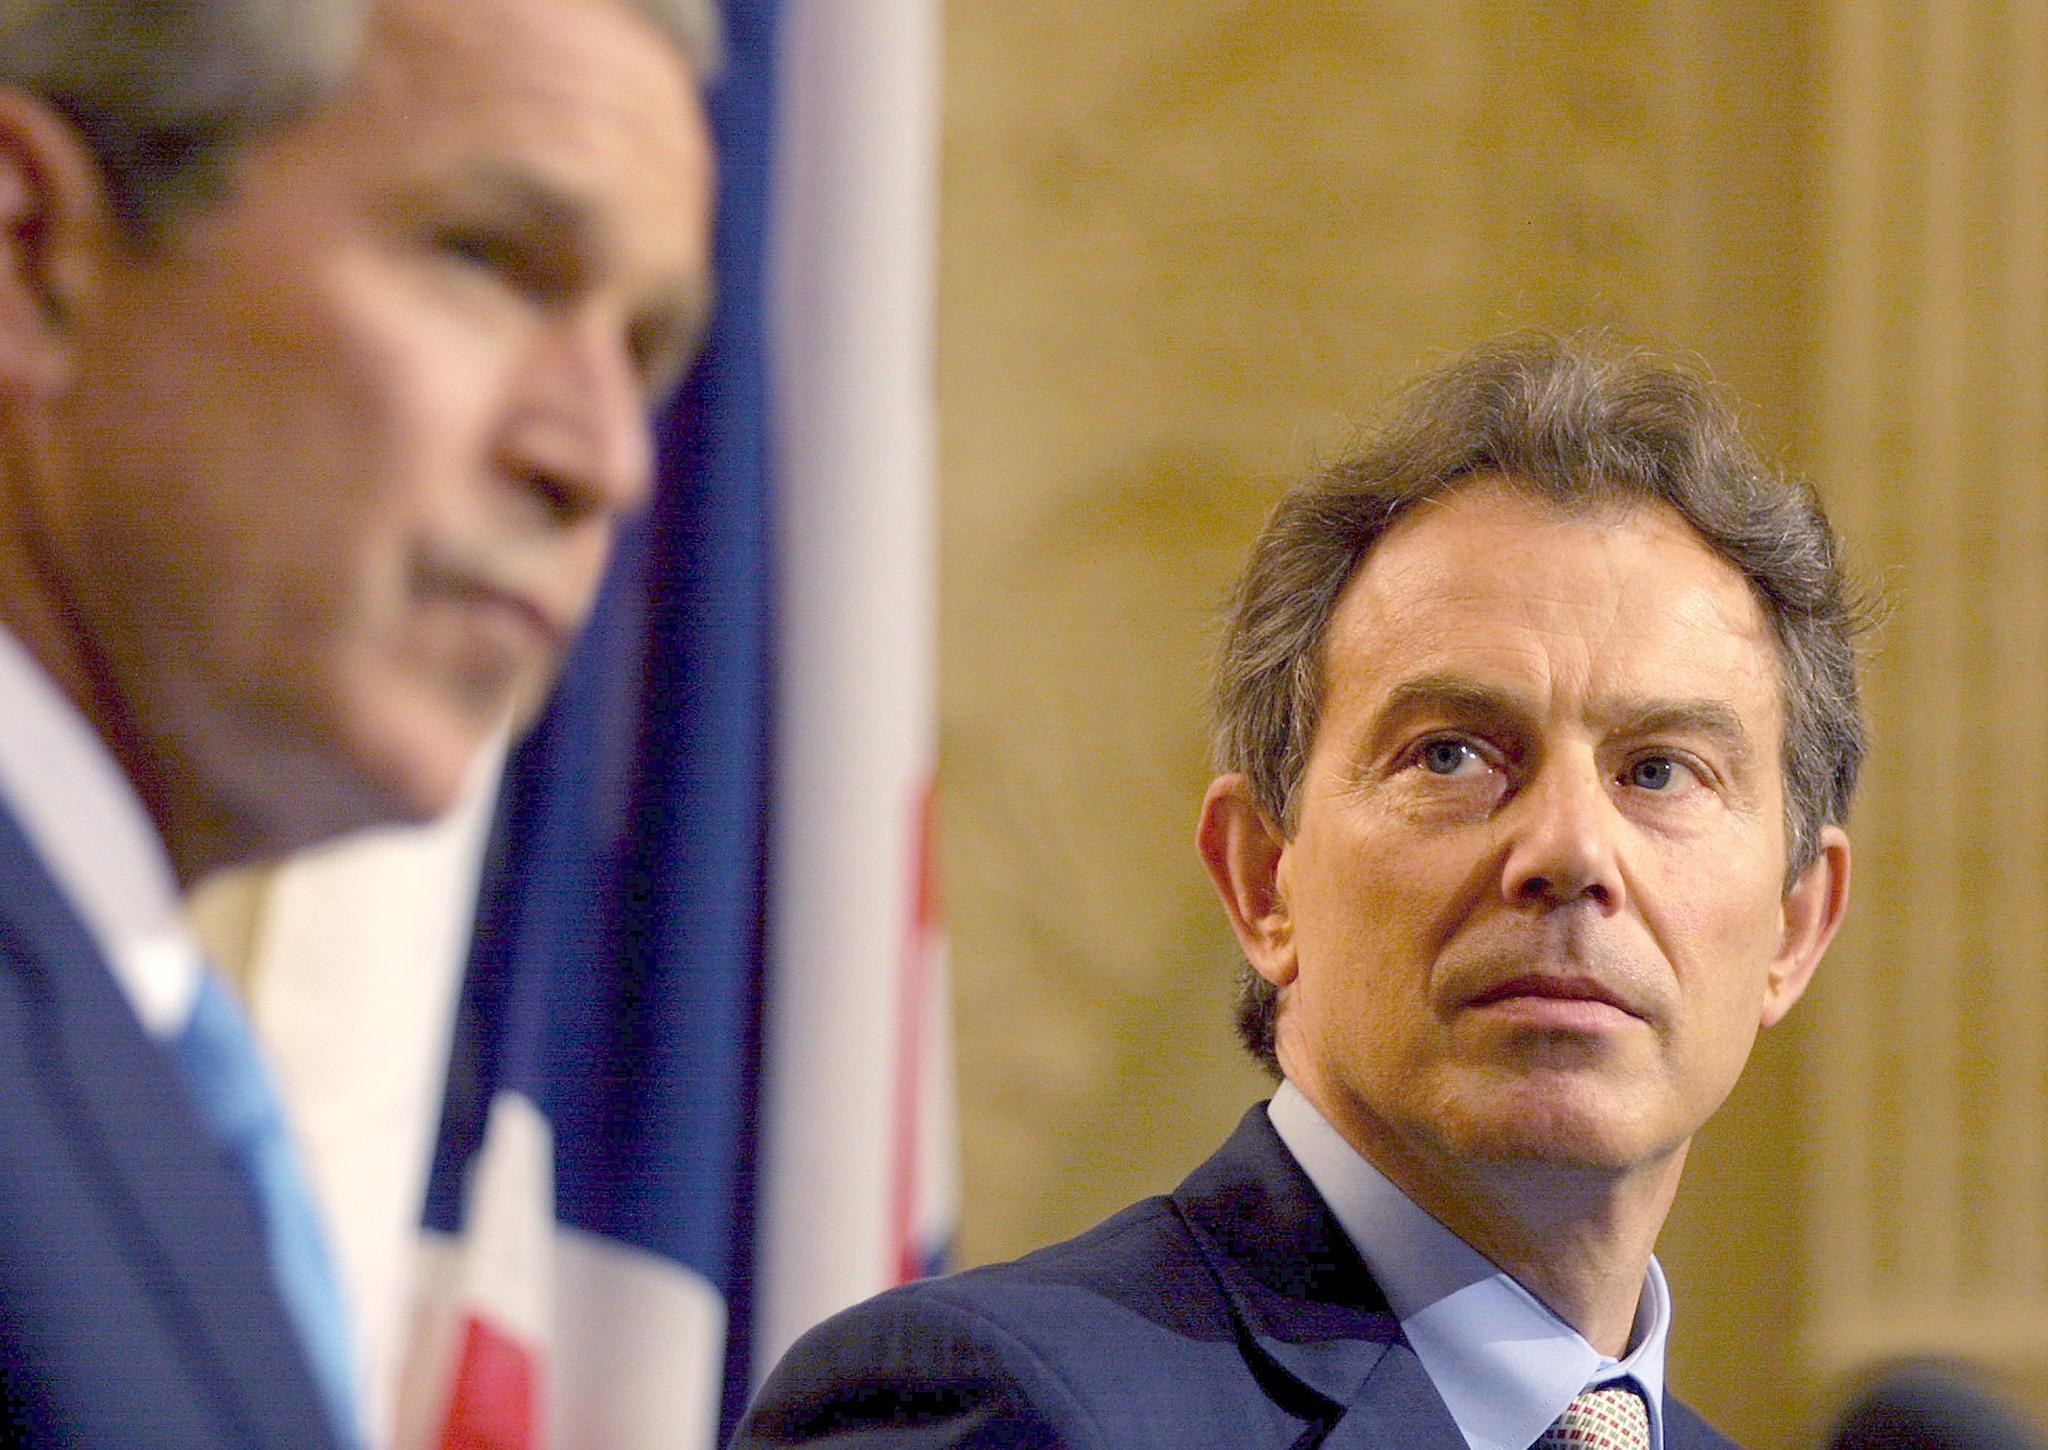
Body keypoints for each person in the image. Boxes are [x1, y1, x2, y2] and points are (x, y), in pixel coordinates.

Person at [735, 334, 1865, 1450]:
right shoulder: (994, 1404)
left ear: (1795, 926)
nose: (1568, 851)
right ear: (1263, 879)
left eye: (1659, 770)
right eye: (1452, 755)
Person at [0, 0, 717, 1444]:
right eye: (488, 260)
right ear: (31, 261)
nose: (605, 459)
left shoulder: (137, 1060)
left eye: (640, 347)